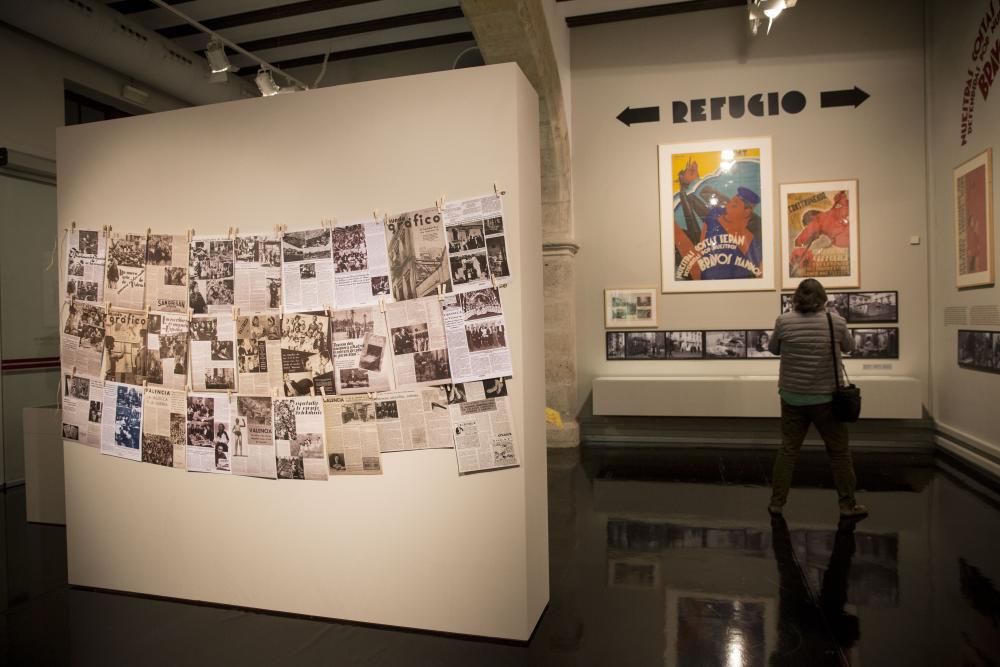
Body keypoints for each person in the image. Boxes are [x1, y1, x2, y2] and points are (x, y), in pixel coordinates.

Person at [767, 278, 867, 519]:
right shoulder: (837, 322)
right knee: (839, 452)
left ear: (796, 299)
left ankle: (776, 503)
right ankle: (847, 505)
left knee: (788, 450)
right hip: (827, 399)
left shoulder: (783, 321)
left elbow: (773, 349)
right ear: (823, 299)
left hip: (792, 397)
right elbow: (850, 347)